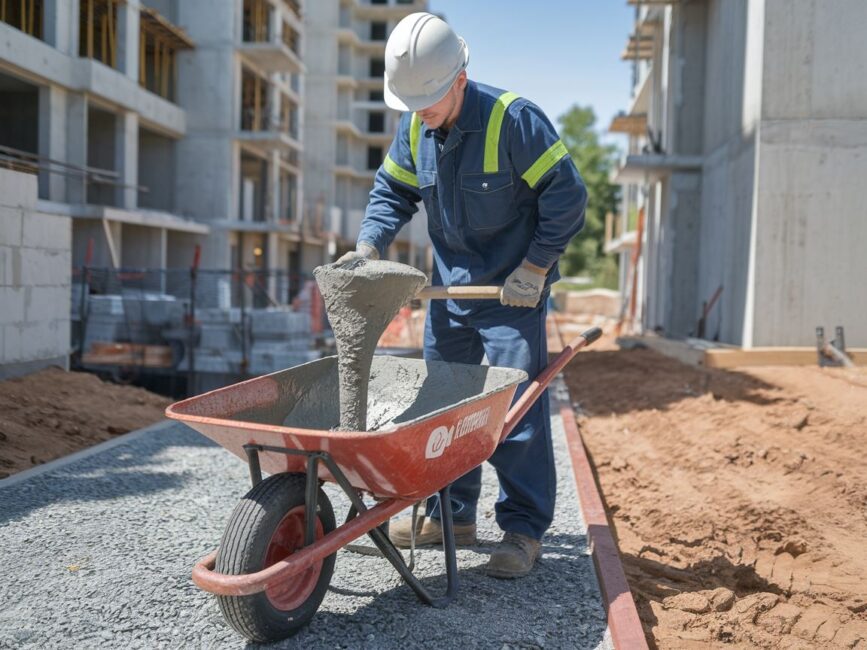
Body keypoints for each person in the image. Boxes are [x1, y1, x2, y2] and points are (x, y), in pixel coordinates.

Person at [339, 12, 587, 578]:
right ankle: (451, 516)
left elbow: (567, 194)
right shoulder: (415, 126)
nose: (419, 110)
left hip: (510, 295)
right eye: (410, 100)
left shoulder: (514, 120)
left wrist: (536, 265)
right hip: (450, 294)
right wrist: (369, 246)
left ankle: (522, 531)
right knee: (443, 411)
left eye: (428, 97)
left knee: (514, 415)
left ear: (460, 78)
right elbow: (392, 191)